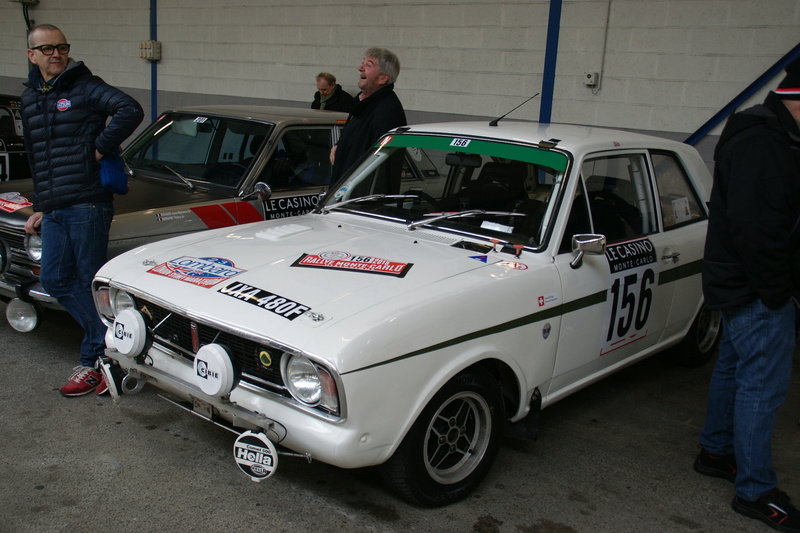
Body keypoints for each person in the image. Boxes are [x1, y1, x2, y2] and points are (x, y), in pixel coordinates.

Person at [696, 57, 800, 532]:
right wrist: (781, 294)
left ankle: (716, 451)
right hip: (757, 287)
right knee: (762, 387)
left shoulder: (759, 131)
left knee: (734, 368)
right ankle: (755, 491)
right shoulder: (766, 143)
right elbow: (758, 231)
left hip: (736, 282)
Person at [20, 24, 144, 397]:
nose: (55, 54)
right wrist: (40, 205)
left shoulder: (85, 85)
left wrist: (98, 148)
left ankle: (94, 362)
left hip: (88, 201)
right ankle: (111, 338)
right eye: (47, 49)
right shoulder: (29, 98)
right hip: (56, 205)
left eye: (61, 47)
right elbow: (35, 156)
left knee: (89, 279)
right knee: (56, 278)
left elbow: (129, 108)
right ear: (32, 55)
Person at [329, 47, 406, 183]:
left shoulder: (387, 112)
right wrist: (339, 145)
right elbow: (357, 139)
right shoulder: (362, 104)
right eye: (362, 63)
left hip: (359, 199)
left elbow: (380, 167)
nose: (360, 68)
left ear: (382, 78)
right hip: (344, 192)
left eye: (368, 65)